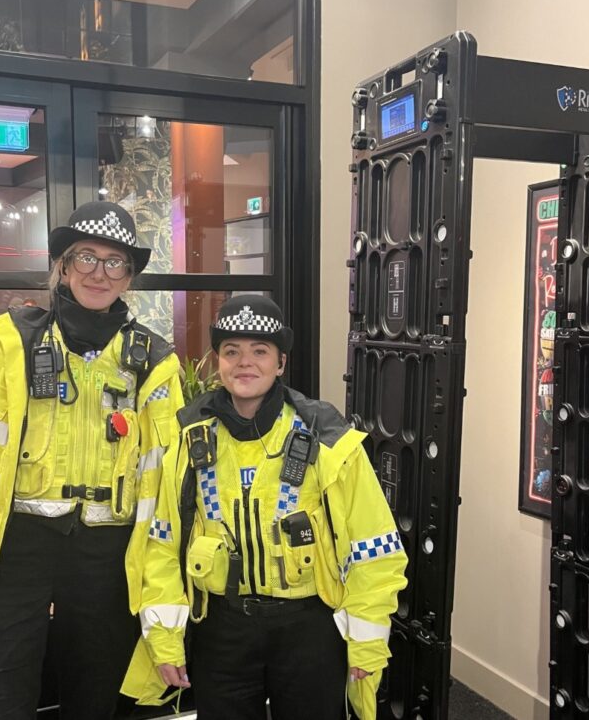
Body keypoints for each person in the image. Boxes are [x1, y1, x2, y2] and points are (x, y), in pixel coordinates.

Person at [0, 201, 183, 720]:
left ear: (129, 276)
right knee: (3, 692)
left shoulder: (155, 363)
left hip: (108, 554)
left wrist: (162, 597)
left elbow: (169, 493)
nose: (98, 272)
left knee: (93, 699)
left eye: (115, 262)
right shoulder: (12, 346)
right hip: (18, 548)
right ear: (63, 266)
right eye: (85, 257)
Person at [129, 296, 407, 720]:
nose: (245, 363)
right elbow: (162, 547)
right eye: (232, 351)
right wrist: (166, 639)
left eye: (260, 351)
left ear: (280, 364)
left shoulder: (328, 440)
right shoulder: (187, 441)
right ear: (217, 362)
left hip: (308, 629)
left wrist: (367, 644)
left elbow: (375, 549)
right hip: (221, 630)